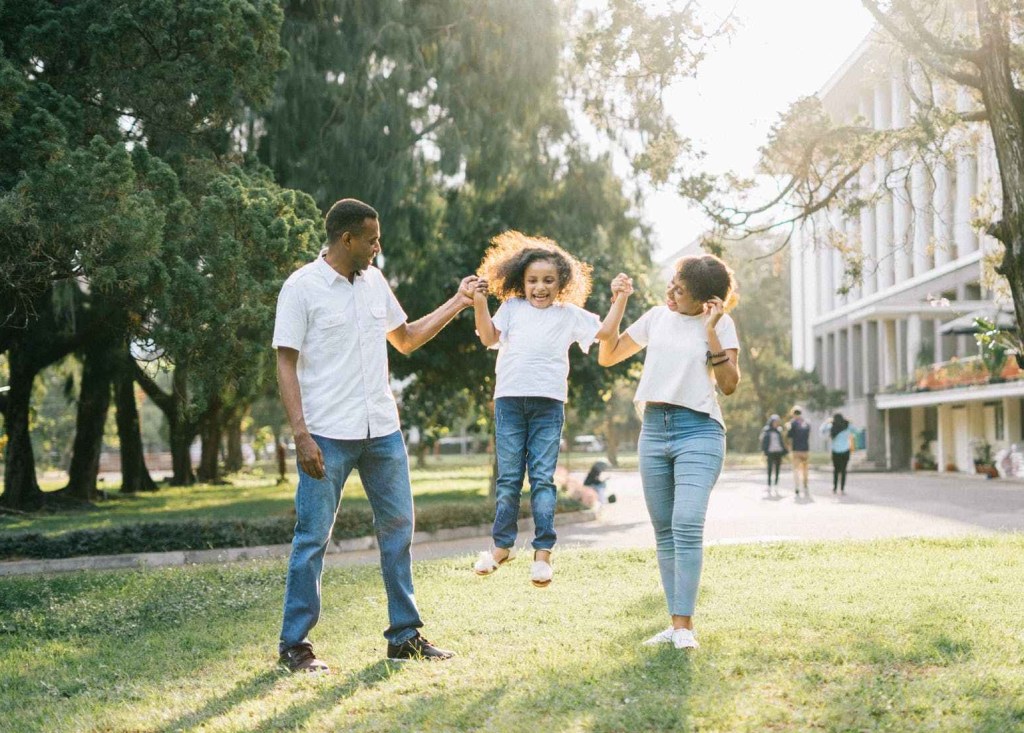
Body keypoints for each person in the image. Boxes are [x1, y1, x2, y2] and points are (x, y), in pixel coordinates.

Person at [273, 198, 476, 672]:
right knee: (312, 538)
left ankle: (404, 636)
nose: (378, 247)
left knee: (399, 530)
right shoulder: (302, 287)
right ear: (347, 239)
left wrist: (458, 301)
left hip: (382, 431)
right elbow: (284, 362)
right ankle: (294, 645)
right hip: (326, 434)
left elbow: (405, 338)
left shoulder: (375, 282)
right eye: (372, 238)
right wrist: (300, 435)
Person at [470, 231, 631, 587]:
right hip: (510, 402)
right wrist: (480, 302)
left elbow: (605, 333)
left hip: (548, 405)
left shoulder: (569, 315)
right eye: (532, 281)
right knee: (509, 479)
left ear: (562, 283)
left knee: (542, 478)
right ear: (521, 282)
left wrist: (619, 299)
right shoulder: (512, 308)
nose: (539, 287)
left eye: (548, 281)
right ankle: (501, 548)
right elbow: (488, 337)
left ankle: (543, 555)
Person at [598, 253, 740, 650]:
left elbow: (729, 384)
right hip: (654, 431)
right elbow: (607, 356)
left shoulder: (721, 323)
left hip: (700, 430)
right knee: (665, 532)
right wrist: (619, 302)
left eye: (682, 290)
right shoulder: (657, 318)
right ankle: (676, 625)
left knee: (687, 522)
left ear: (707, 301)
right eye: (673, 284)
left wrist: (711, 331)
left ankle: (684, 628)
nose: (672, 292)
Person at [823, 412, 855, 494]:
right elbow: (855, 430)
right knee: (843, 470)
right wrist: (850, 422)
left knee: (836, 470)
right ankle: (842, 489)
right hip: (845, 451)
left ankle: (835, 488)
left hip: (835, 451)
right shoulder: (847, 426)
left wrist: (827, 422)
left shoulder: (832, 426)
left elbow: (822, 430)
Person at [786, 406, 812, 496]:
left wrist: (789, 448)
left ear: (793, 414)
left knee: (796, 469)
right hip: (805, 449)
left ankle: (797, 486)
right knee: (805, 469)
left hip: (796, 450)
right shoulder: (807, 423)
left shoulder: (792, 423)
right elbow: (808, 435)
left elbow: (789, 437)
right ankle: (805, 485)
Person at [759, 414, 787, 493]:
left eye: (777, 422)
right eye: (774, 422)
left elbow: (782, 442)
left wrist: (784, 451)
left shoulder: (779, 430)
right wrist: (764, 451)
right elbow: (763, 441)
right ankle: (769, 485)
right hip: (770, 452)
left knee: (777, 469)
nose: (776, 423)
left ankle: (776, 484)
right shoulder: (766, 430)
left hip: (778, 452)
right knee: (770, 468)